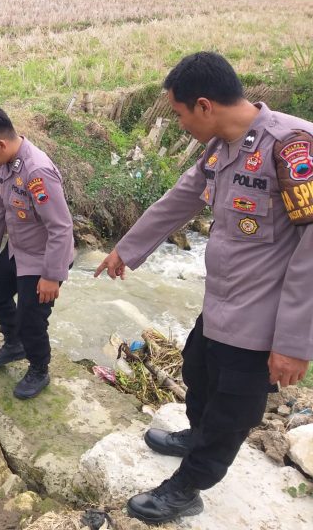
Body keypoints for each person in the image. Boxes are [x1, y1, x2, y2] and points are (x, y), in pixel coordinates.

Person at [95, 51, 313, 525]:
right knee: (197, 370)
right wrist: (125, 250)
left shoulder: (291, 147)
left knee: (233, 409)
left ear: (204, 105)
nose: (178, 124)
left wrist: (294, 343)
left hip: (263, 317)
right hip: (221, 303)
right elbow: (178, 201)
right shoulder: (222, 147)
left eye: (178, 114)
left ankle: (188, 487)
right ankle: (196, 435)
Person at [0, 106, 74, 399]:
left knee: (32, 317)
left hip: (44, 257)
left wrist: (52, 276)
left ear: (0, 144)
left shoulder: (37, 171)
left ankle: (39, 368)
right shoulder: (3, 164)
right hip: (18, 248)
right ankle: (14, 344)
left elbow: (61, 227)